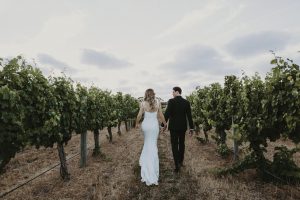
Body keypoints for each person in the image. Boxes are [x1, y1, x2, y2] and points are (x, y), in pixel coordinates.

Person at [135, 88, 167, 186]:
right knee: (152, 144)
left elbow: (140, 114)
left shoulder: (143, 103)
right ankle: (151, 166)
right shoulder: (158, 102)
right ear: (153, 94)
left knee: (147, 143)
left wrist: (136, 123)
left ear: (146, 94)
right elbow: (160, 114)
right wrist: (165, 124)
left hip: (146, 126)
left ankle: (146, 162)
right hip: (153, 126)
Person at [163, 86, 194, 173]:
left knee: (174, 145)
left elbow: (167, 113)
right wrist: (191, 128)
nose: (172, 93)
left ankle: (176, 164)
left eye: (173, 92)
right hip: (182, 127)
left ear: (177, 92)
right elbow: (189, 116)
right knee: (182, 144)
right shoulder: (186, 102)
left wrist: (163, 125)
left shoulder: (171, 101)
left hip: (173, 127)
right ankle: (181, 161)